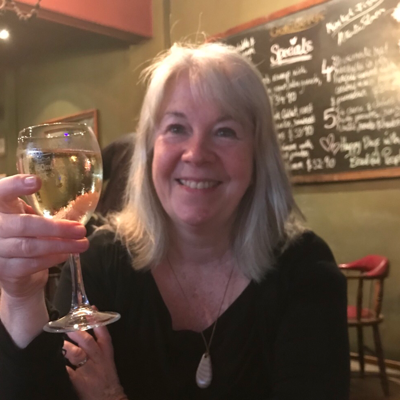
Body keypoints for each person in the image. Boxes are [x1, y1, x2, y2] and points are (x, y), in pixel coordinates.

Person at [0, 42, 350, 400]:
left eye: (225, 131)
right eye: (177, 128)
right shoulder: (102, 260)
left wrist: (112, 395)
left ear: (258, 155)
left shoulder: (304, 270)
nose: (196, 154)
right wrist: (21, 297)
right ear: (150, 149)